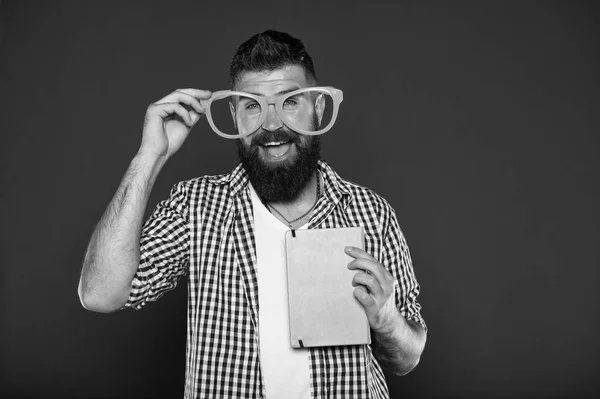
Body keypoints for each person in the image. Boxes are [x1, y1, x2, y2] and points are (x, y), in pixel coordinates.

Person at [78, 30, 427, 399]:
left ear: (318, 107)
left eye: (290, 101)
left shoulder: (372, 213)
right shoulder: (197, 207)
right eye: (252, 105)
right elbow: (100, 293)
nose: (272, 124)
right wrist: (150, 156)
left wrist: (387, 320)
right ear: (234, 116)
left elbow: (408, 358)